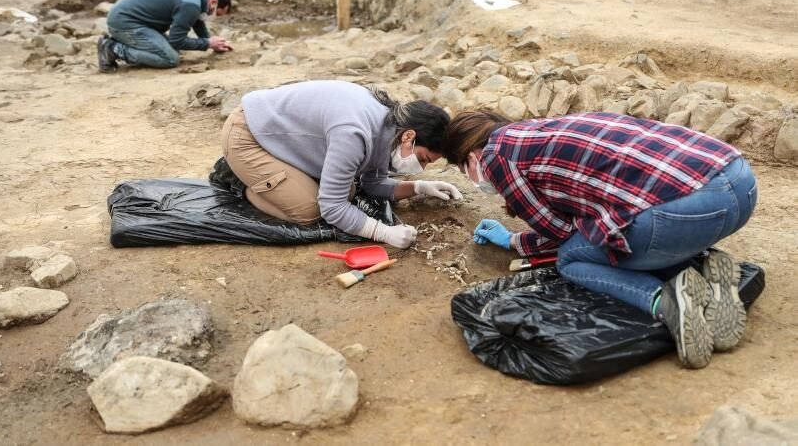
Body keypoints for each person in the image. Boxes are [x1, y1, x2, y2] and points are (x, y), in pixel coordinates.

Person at [442, 110, 757, 369]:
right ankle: (704, 272)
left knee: (572, 258)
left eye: (463, 169)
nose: (473, 179)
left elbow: (559, 234)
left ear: (470, 156)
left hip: (687, 211)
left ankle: (668, 303)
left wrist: (514, 241)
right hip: (739, 184)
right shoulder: (541, 129)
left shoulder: (496, 156)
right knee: (621, 224)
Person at [220, 80, 462, 248]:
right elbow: (331, 207)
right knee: (309, 210)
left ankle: (269, 175)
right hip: (248, 136)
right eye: (422, 159)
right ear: (409, 136)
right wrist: (382, 232)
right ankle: (238, 180)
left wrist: (419, 187)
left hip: (278, 136)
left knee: (349, 190)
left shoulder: (387, 127)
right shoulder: (354, 133)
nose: (420, 166)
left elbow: (372, 183)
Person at [97, 0, 233, 72]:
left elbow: (195, 19)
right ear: (214, 2)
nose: (213, 16)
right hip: (125, 23)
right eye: (217, 13)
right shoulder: (190, 3)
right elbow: (177, 41)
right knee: (170, 58)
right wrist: (207, 43)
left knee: (171, 50)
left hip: (132, 18)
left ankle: (122, 43)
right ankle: (112, 49)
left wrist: (210, 42)